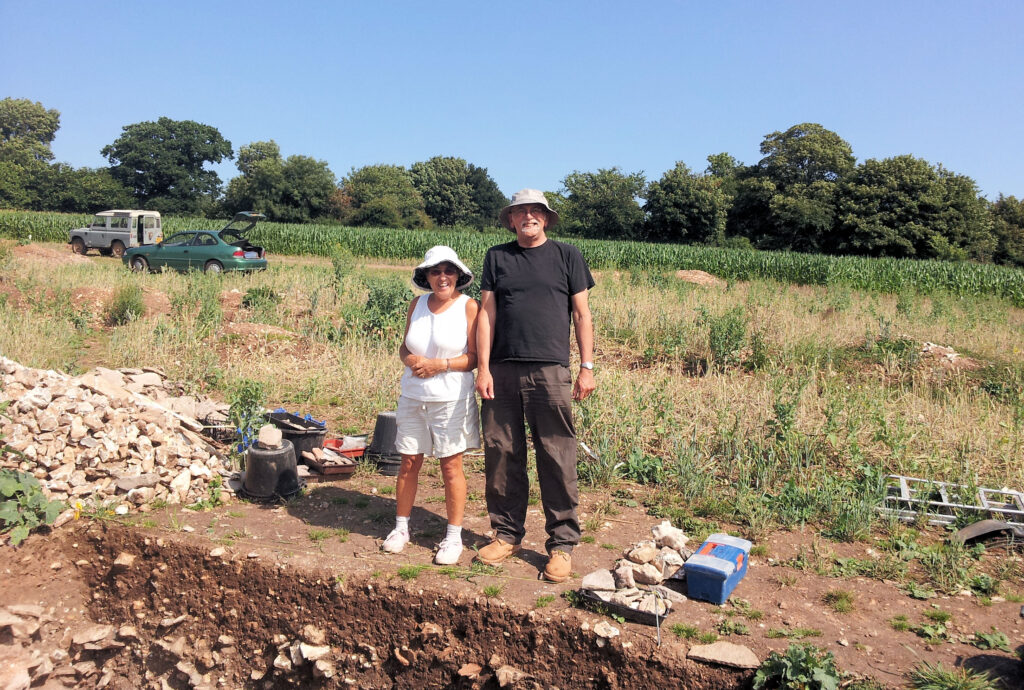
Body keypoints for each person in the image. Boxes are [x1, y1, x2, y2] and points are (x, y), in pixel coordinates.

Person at [474, 189, 596, 583]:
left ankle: (561, 544)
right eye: (520, 212)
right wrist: (483, 367)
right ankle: (506, 533)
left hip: (550, 369)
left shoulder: (567, 255)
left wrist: (587, 366)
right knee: (501, 452)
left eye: (535, 211)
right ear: (511, 220)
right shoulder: (498, 257)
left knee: (557, 453)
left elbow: (581, 314)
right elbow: (486, 314)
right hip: (502, 369)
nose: (528, 217)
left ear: (545, 219)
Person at [382, 246, 480, 565]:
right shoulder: (417, 304)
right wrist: (408, 358)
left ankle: (453, 537)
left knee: (451, 466)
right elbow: (404, 346)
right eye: (435, 271)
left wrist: (441, 365)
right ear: (426, 276)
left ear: (458, 276)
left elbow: (476, 358)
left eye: (448, 271)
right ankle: (401, 528)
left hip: (451, 398)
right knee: (409, 461)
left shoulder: (468, 307)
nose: (442, 277)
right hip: (413, 396)